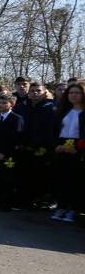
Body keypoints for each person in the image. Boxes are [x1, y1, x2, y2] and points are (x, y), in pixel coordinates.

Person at [51, 81, 84, 223]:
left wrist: (77, 148)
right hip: (61, 147)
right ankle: (61, 206)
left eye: (77, 93)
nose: (73, 95)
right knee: (60, 178)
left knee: (75, 181)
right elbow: (54, 131)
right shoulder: (63, 111)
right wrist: (57, 146)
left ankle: (73, 209)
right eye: (71, 93)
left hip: (78, 151)